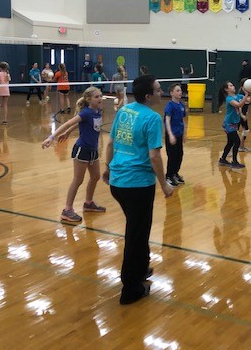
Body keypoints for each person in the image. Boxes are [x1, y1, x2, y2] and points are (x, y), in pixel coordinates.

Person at [102, 75, 174, 305]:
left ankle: (141, 269)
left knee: (139, 229)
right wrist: (164, 184)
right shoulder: (153, 118)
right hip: (137, 185)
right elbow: (154, 156)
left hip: (118, 182)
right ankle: (130, 288)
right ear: (148, 95)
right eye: (158, 89)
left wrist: (107, 167)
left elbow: (111, 143)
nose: (161, 92)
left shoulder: (124, 111)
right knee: (136, 234)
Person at [41, 87, 107, 223]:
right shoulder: (86, 112)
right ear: (89, 99)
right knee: (78, 180)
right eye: (97, 97)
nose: (100, 99)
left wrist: (69, 132)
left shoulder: (98, 111)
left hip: (93, 150)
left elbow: (79, 125)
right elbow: (68, 123)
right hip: (82, 149)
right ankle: (67, 210)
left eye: (101, 96)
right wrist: (52, 137)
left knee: (95, 176)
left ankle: (88, 203)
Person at [217, 81, 250, 169]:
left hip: (233, 123)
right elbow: (239, 104)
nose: (233, 86)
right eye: (230, 85)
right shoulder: (229, 99)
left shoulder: (238, 96)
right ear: (226, 89)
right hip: (228, 123)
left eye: (233, 85)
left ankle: (222, 159)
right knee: (237, 141)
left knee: (230, 142)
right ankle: (234, 162)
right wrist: (246, 95)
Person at [164, 83, 187, 186]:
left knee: (179, 155)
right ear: (171, 93)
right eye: (177, 90)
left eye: (180, 90)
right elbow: (167, 121)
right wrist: (170, 135)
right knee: (172, 156)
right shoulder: (169, 106)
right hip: (171, 135)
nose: (180, 92)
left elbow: (183, 120)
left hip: (179, 134)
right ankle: (168, 176)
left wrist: (185, 134)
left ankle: (175, 173)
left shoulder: (182, 105)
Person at [238, 78, 251, 152]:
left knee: (246, 131)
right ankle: (231, 150)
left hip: (244, 116)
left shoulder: (247, 94)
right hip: (238, 116)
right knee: (235, 132)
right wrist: (241, 115)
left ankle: (241, 146)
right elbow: (238, 107)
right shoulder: (240, 94)